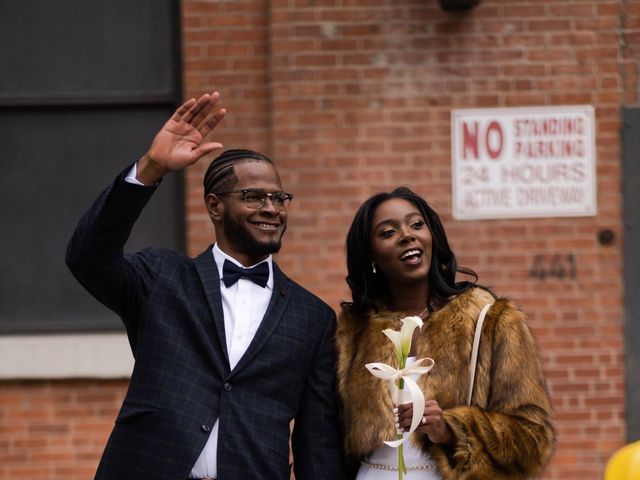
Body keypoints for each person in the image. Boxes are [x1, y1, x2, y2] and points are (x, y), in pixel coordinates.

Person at [66, 92, 345, 480]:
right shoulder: (161, 277)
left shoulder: (313, 317)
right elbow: (87, 257)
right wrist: (149, 169)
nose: (271, 208)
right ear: (215, 206)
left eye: (279, 198)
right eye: (253, 196)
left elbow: (317, 442)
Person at [335, 187, 555, 479]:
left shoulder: (491, 321)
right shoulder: (353, 331)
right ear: (371, 256)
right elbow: (327, 438)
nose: (407, 236)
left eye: (416, 225)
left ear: (432, 237)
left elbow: (533, 439)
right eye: (388, 233)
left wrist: (452, 429)